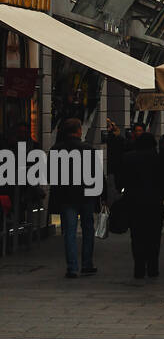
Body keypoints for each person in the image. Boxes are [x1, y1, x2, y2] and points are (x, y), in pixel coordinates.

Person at [49, 119, 96, 279]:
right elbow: (96, 174)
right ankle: (87, 264)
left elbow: (50, 175)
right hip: (86, 195)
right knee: (88, 229)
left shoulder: (56, 149)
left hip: (66, 197)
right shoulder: (88, 149)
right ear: (78, 131)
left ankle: (72, 268)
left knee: (69, 231)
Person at [119, 132, 164, 279]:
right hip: (155, 203)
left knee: (137, 236)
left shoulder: (128, 158)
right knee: (154, 236)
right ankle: (153, 268)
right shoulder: (160, 159)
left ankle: (139, 268)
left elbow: (120, 181)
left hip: (134, 202)